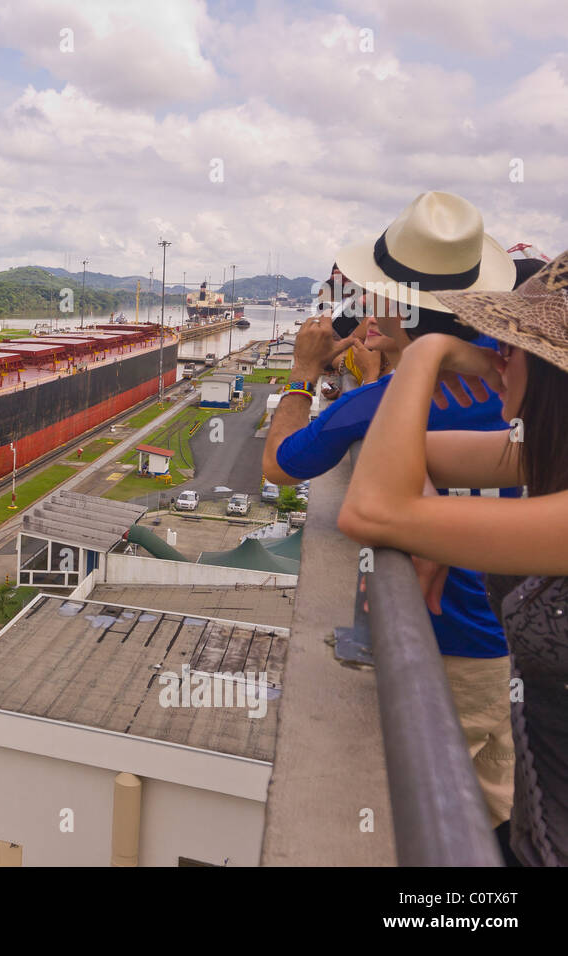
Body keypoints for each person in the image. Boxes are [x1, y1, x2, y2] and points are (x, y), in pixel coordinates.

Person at [261, 192, 521, 835]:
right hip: (520, 641)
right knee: (510, 810)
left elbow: (280, 465)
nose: (360, 307)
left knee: (434, 824)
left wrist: (301, 374)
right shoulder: (514, 370)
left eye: (372, 295)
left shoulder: (379, 402)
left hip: (450, 649)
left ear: (399, 309)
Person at [339, 248, 568, 866]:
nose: (496, 356)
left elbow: (370, 508)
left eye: (509, 345)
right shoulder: (542, 454)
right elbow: (416, 459)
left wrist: (428, 353)